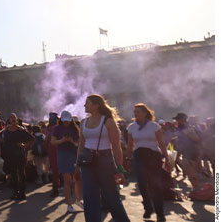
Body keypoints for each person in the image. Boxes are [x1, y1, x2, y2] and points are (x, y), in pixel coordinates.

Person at [77, 94, 130, 222]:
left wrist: (119, 168)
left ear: (96, 105)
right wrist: (77, 164)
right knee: (89, 197)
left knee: (111, 196)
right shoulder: (83, 122)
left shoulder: (108, 121)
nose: (84, 105)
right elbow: (81, 145)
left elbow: (116, 147)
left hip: (105, 160)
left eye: (87, 103)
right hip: (87, 161)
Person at [126, 103, 170, 222]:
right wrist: (127, 159)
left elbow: (161, 143)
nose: (135, 114)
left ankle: (160, 214)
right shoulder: (131, 127)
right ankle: (148, 207)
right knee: (141, 183)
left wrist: (166, 158)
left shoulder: (154, 126)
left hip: (153, 156)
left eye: (138, 112)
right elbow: (130, 145)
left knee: (155, 185)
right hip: (139, 156)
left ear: (145, 113)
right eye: (134, 112)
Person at [50, 111, 82, 214]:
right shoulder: (57, 128)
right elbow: (53, 142)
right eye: (64, 121)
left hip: (74, 154)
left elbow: (79, 143)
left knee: (77, 179)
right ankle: (69, 204)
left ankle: (78, 200)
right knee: (67, 181)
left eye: (67, 121)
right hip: (63, 155)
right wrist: (63, 140)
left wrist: (72, 141)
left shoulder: (75, 128)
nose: (66, 123)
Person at [0, 113, 33, 200]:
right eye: (11, 118)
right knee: (13, 174)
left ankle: (22, 193)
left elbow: (31, 138)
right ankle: (15, 192)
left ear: (17, 120)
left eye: (14, 118)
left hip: (19, 154)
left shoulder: (20, 130)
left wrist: (24, 145)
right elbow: (0, 138)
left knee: (21, 173)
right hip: (10, 155)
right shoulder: (6, 131)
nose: (13, 119)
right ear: (9, 120)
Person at [173, 112, 201, 189]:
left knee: (190, 171)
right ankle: (196, 188)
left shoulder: (186, 128)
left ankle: (197, 188)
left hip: (191, 151)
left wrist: (185, 139)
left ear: (181, 120)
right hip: (187, 151)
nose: (176, 121)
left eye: (177, 119)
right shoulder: (182, 127)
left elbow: (196, 139)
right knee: (189, 171)